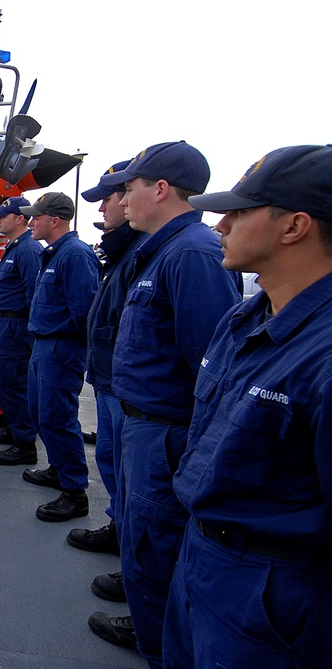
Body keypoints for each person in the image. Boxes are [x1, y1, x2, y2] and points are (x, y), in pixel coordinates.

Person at [163, 145, 332, 669]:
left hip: (271, 591)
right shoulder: (245, 320)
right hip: (202, 558)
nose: (221, 224)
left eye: (240, 211)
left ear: (294, 226)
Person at [88, 142, 240, 665]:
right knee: (142, 539)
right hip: (142, 425)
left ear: (160, 189)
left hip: (165, 432)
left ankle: (159, 645)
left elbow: (211, 367)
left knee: (158, 543)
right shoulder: (162, 251)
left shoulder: (191, 254)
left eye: (129, 188)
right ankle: (151, 628)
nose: (122, 200)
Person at [68, 163, 147, 626]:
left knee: (141, 486)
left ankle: (148, 604)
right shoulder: (127, 254)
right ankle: (122, 536)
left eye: (112, 196)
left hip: (138, 396)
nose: (101, 207)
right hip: (111, 381)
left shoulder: (176, 255)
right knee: (116, 466)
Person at [19, 192, 99, 521]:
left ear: (55, 221)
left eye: (36, 217)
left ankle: (75, 492)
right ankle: (57, 467)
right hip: (44, 345)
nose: (30, 221)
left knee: (58, 417)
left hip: (61, 347)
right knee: (41, 413)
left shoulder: (76, 255)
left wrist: (72, 351)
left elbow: (85, 311)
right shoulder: (54, 254)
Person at [0, 196, 43, 464]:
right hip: (4, 324)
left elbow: (34, 294)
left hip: (16, 326)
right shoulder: (15, 248)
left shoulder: (28, 250)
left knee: (13, 383)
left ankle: (25, 444)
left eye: (3, 215)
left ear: (20, 219)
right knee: (2, 382)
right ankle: (16, 427)